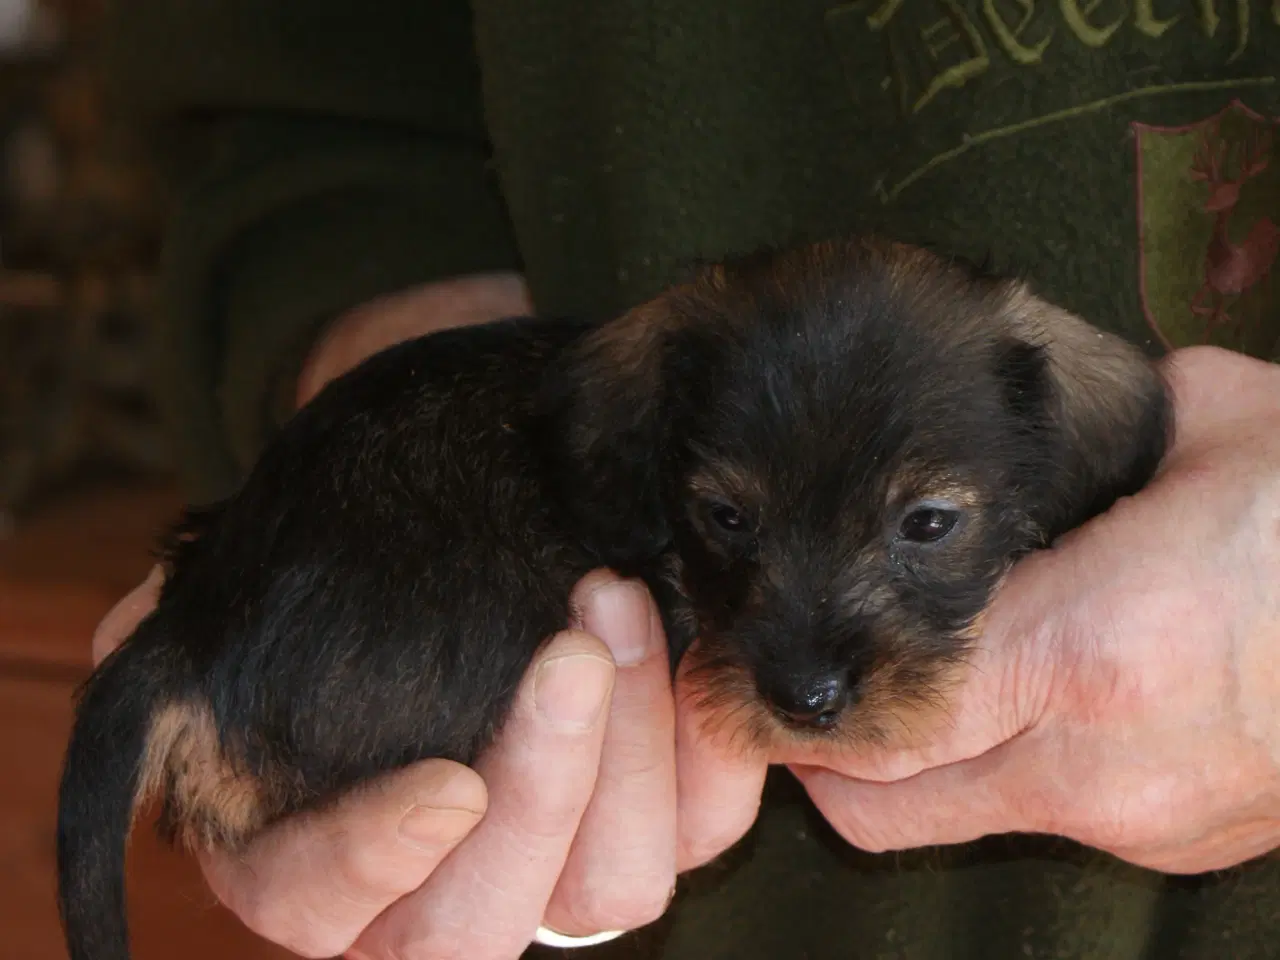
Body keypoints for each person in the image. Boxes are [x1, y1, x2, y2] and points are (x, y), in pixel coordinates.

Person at [92, 2, 1280, 958]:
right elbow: (300, 101)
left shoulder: (1073, 398)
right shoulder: (627, 404)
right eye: (724, 519)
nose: (806, 670)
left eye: (924, 523)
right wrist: (374, 583)